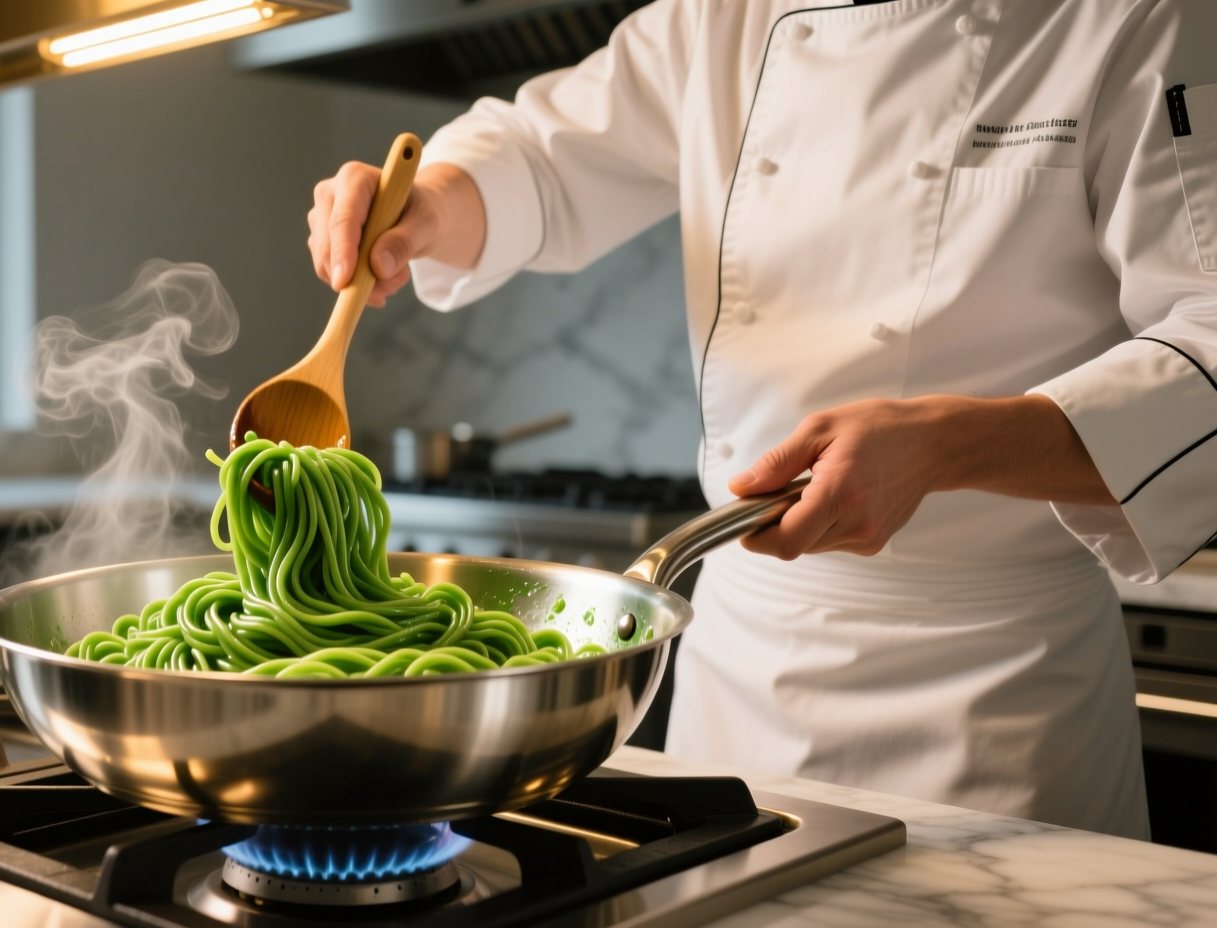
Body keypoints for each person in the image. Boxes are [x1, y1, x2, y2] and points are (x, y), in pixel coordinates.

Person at [305, 0, 1217, 839]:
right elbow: (542, 157)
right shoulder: (722, 15)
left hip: (1003, 701)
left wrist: (947, 445)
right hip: (743, 676)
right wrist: (428, 207)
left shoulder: (1135, 19)